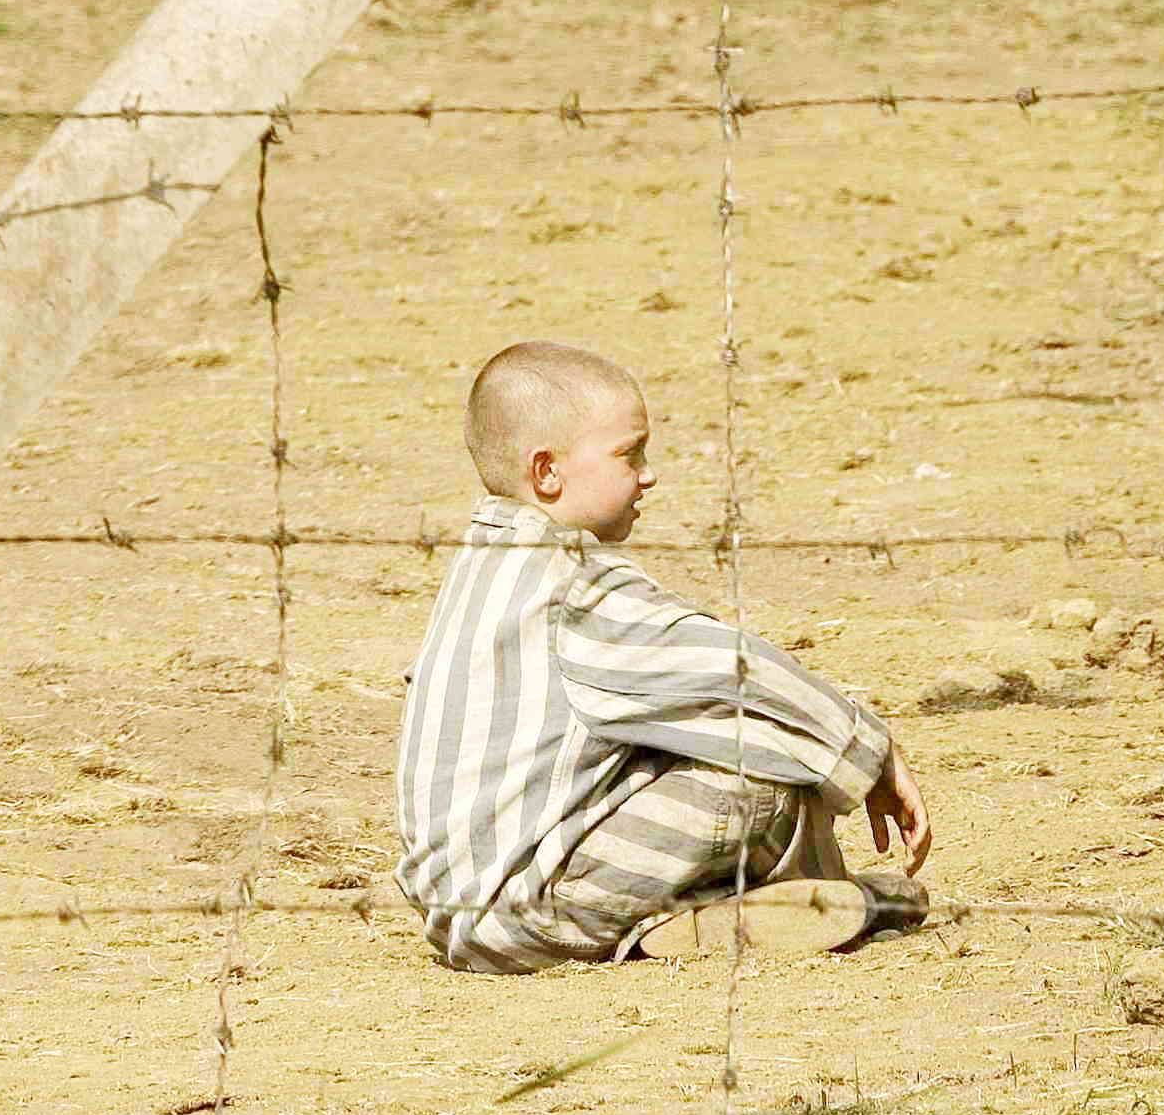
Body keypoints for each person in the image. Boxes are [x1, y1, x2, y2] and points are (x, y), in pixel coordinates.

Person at [394, 339, 933, 966]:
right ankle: (793, 899)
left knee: (693, 734)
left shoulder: (484, 565)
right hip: (532, 906)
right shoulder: (571, 586)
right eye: (630, 454)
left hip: (460, 914)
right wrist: (870, 751)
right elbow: (732, 670)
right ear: (547, 472)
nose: (649, 474)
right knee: (765, 753)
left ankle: (697, 922)